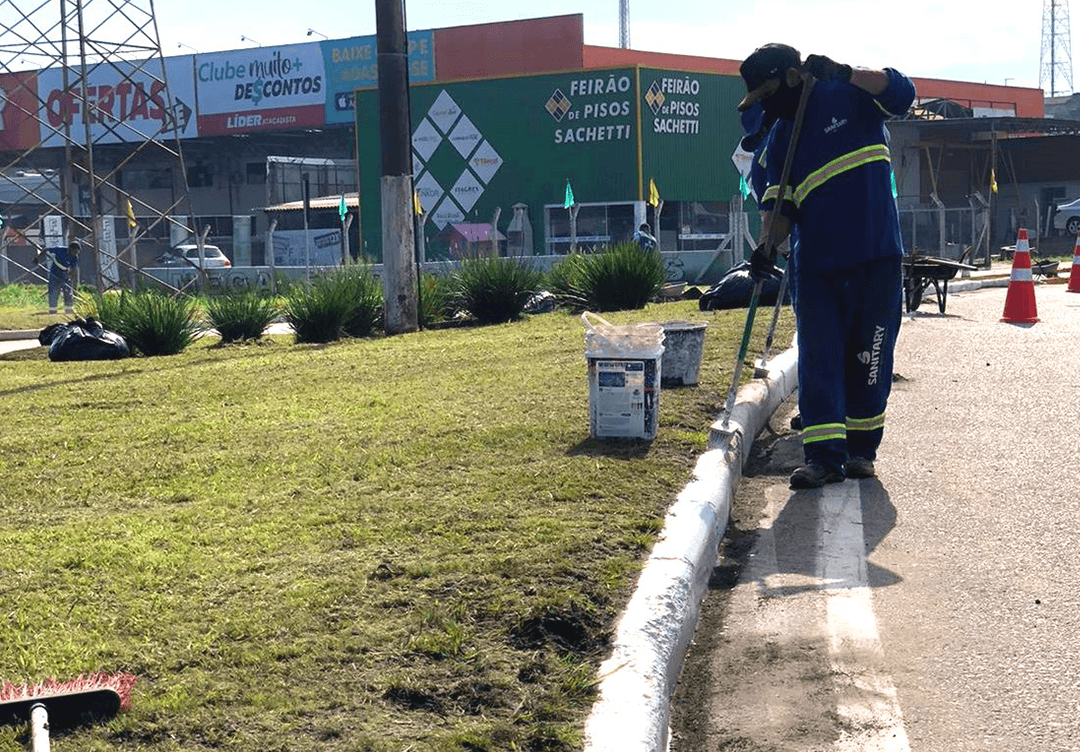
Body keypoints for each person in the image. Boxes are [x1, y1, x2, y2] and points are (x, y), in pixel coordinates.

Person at [738, 43, 916, 489]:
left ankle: (861, 452)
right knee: (819, 360)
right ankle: (823, 458)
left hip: (875, 257)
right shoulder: (781, 140)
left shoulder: (851, 96)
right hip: (817, 267)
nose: (766, 107)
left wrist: (848, 72)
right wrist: (766, 247)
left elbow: (903, 93)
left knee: (870, 357)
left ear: (791, 77)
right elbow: (779, 210)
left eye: (768, 95)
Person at [35, 240, 80, 314]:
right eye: (74, 252)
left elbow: (73, 269)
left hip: (65, 275)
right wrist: (37, 258)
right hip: (55, 274)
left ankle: (68, 310)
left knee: (68, 293)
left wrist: (69, 276)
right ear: (70, 249)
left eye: (77, 252)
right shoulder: (60, 250)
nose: (75, 254)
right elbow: (46, 250)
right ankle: (52, 310)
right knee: (53, 291)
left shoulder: (75, 257)